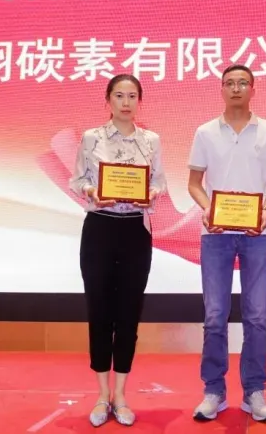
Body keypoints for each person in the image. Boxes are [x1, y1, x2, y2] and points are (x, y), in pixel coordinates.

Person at [186, 64, 266, 423]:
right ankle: (213, 391)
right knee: (215, 316)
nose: (236, 88)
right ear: (221, 89)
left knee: (256, 316)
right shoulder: (205, 132)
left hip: (258, 234)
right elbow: (195, 183)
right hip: (215, 235)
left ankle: (254, 391)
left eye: (243, 83)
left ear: (253, 89)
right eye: (229, 83)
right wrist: (207, 209)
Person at [69, 73, 167, 427]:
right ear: (108, 99)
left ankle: (121, 395)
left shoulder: (150, 140)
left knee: (128, 314)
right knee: (99, 311)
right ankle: (101, 394)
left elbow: (158, 183)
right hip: (99, 228)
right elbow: (78, 179)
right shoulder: (91, 138)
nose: (126, 103)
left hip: (135, 231)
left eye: (132, 96)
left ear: (140, 101)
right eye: (119, 96)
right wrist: (92, 192)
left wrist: (149, 194)